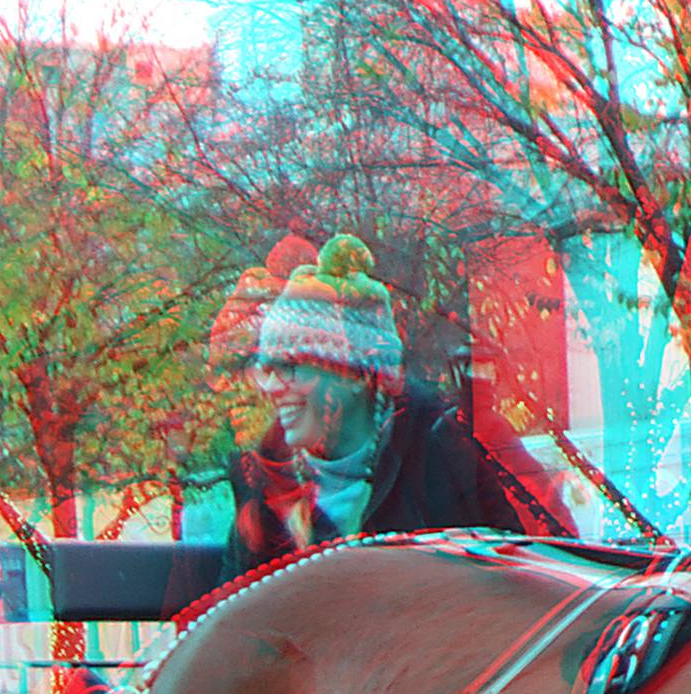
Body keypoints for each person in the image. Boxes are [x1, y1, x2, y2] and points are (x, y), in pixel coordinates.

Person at [218, 233, 575, 582]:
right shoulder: (264, 487)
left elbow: (536, 577)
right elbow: (233, 630)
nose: (271, 387)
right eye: (266, 369)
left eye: (291, 367)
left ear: (357, 374)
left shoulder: (451, 451)